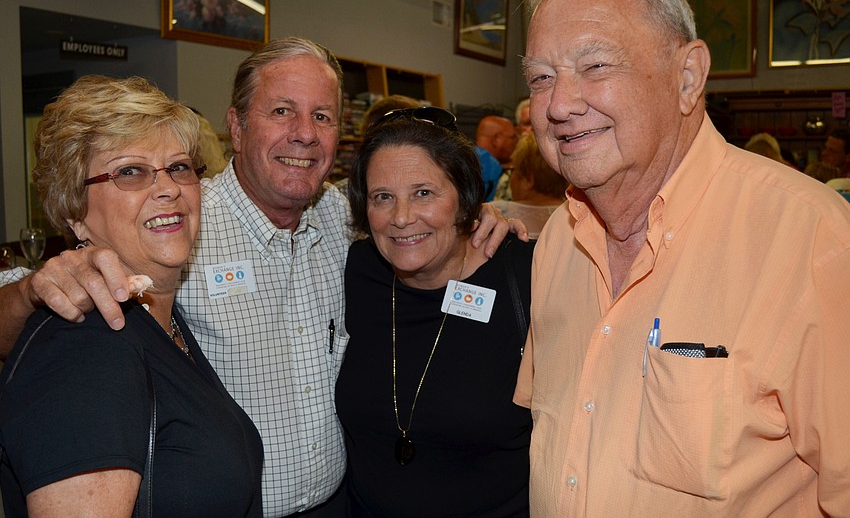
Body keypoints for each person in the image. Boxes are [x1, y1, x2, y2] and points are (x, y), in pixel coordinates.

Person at [0, 37, 520, 518]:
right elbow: (34, 317)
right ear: (238, 125)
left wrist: (490, 216)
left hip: (340, 504)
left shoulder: (346, 220)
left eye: (322, 115)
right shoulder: (180, 230)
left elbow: (420, 213)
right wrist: (31, 290)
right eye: (281, 111)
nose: (305, 133)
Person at [513, 0, 850, 515]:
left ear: (687, 77)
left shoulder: (810, 240)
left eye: (595, 65)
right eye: (541, 77)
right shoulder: (558, 243)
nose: (559, 104)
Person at [0, 75, 263, 516]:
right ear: (75, 214)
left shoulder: (161, 320)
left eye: (179, 166)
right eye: (130, 171)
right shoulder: (84, 346)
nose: (168, 188)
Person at [337, 107, 533, 517]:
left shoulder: (527, 277)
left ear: (465, 200)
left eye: (423, 192)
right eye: (382, 197)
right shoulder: (358, 271)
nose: (402, 218)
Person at [491, 131, 567, 239]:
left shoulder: (495, 214)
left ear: (528, 179)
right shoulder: (579, 217)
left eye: (514, 170)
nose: (512, 178)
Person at [475, 115, 518, 201]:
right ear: (496, 140)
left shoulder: (462, 156)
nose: (517, 141)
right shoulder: (490, 164)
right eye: (513, 137)